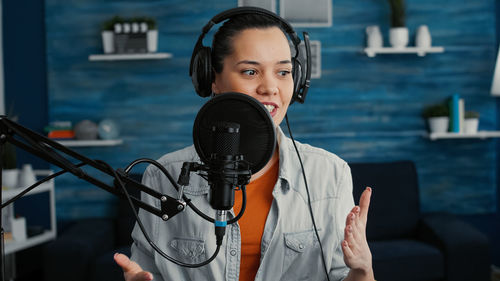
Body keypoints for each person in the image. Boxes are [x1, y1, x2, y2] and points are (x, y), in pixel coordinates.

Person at [115, 8, 374, 281]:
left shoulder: (329, 173)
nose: (270, 87)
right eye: (250, 71)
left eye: (283, 72)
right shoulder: (163, 176)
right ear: (211, 79)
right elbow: (147, 271)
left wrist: (362, 270)